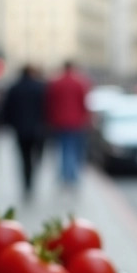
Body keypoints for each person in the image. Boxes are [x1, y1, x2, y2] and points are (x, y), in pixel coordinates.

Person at [1, 64, 47, 198]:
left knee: (24, 158)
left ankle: (27, 183)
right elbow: (46, 108)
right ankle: (31, 179)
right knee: (36, 156)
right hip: (38, 129)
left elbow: (7, 109)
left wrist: (8, 125)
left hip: (20, 129)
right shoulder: (40, 87)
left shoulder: (14, 88)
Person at [46, 60, 91, 190]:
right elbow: (84, 103)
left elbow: (50, 103)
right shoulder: (80, 82)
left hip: (59, 122)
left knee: (63, 149)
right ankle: (71, 176)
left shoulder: (56, 83)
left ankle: (64, 176)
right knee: (72, 150)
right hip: (76, 122)